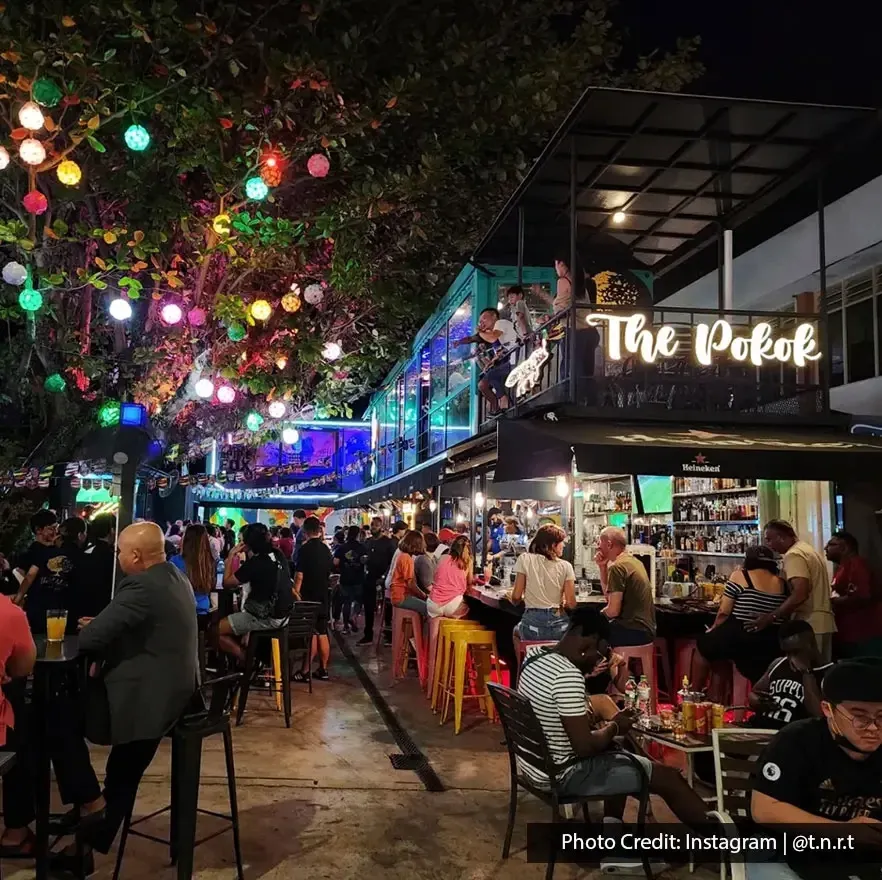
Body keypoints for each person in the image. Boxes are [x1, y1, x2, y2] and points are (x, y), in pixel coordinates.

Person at [36, 522, 199, 870]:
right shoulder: (172, 575)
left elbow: (92, 639)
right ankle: (86, 831)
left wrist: (97, 625)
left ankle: (90, 805)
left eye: (120, 552)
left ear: (136, 556)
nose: (118, 557)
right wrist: (107, 620)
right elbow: (144, 624)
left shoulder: (139, 586)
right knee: (123, 770)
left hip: (149, 697)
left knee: (53, 715)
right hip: (178, 690)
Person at [517, 607, 711, 829]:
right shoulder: (567, 675)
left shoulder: (535, 656)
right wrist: (615, 727)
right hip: (563, 776)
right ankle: (732, 846)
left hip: (536, 767)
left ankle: (615, 828)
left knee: (621, 751)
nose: (596, 663)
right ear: (587, 640)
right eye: (599, 654)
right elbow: (585, 747)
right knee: (670, 780)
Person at [750, 658, 882, 880]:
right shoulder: (796, 740)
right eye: (859, 716)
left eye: (881, 717)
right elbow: (763, 809)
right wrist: (843, 832)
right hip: (785, 850)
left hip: (862, 856)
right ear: (828, 710)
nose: (873, 727)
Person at [691, 545, 788, 689]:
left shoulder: (740, 575)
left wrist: (714, 628)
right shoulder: (782, 583)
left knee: (703, 645)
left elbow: (724, 611)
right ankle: (715, 695)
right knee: (718, 648)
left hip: (742, 636)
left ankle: (695, 693)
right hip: (771, 641)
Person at [763, 520, 836, 662]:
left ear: (781, 537)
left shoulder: (794, 555)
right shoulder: (807, 550)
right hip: (822, 622)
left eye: (769, 540)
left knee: (809, 673)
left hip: (810, 624)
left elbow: (800, 593)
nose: (769, 545)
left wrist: (772, 616)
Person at [218, 523, 292, 662]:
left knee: (216, 630)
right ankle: (251, 658)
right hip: (283, 615)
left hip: (266, 617)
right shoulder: (278, 555)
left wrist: (231, 555)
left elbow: (227, 583)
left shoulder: (256, 562)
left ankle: (247, 660)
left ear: (248, 543)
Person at [748, 620, 833, 729]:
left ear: (811, 645)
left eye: (795, 651)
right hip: (761, 728)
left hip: (793, 736)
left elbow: (819, 716)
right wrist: (760, 702)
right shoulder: (778, 663)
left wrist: (806, 673)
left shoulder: (829, 673)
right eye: (787, 652)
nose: (790, 658)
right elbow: (753, 694)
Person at [13, 509, 80, 634]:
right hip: (38, 613)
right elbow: (27, 576)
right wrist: (18, 600)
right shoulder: (29, 554)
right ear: (38, 530)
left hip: (62, 612)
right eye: (51, 528)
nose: (55, 532)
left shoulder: (62, 550)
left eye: (56, 527)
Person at [511, 524, 576, 647]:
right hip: (559, 624)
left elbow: (516, 596)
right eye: (561, 542)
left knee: (516, 631)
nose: (564, 545)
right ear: (552, 545)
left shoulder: (525, 559)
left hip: (532, 622)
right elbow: (571, 604)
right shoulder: (566, 566)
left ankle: (524, 665)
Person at [595, 527, 656, 647]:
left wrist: (594, 618)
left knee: (588, 634)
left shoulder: (617, 567)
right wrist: (602, 568)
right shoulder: (634, 562)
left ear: (609, 544)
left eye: (599, 542)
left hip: (633, 630)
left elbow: (613, 611)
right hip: (646, 629)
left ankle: (610, 665)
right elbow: (610, 600)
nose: (597, 546)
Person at [825, 531, 882, 658]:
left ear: (844, 547)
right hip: (849, 633)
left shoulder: (857, 565)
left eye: (831, 544)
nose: (825, 548)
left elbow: (861, 596)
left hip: (863, 633)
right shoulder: (842, 568)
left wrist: (832, 602)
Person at [293, 516, 334, 680]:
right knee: (322, 631)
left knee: (310, 633)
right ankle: (323, 669)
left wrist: (295, 593)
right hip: (324, 594)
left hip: (308, 596)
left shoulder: (304, 549)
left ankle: (305, 671)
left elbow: (299, 576)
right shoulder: (326, 549)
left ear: (305, 531)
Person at [461, 307, 517, 415]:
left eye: (484, 319)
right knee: (486, 379)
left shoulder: (500, 323)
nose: (482, 323)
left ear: (494, 316)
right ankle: (499, 404)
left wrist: (480, 331)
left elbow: (492, 338)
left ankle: (503, 401)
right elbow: (503, 348)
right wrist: (492, 361)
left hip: (516, 358)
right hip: (511, 358)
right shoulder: (498, 331)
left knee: (488, 378)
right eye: (480, 321)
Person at [358, 517, 397, 646]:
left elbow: (393, 562)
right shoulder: (367, 542)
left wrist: (385, 577)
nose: (373, 527)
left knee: (387, 608)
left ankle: (389, 634)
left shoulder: (389, 543)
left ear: (381, 527)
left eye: (376, 525)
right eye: (372, 525)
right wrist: (363, 560)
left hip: (383, 578)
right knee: (368, 606)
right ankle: (368, 634)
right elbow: (363, 557)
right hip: (369, 577)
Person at [170, 523, 213, 615]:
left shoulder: (175, 562)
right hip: (204, 611)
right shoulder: (210, 563)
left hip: (181, 612)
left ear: (187, 540)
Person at [427, 535, 472, 619]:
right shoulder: (467, 561)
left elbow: (436, 576)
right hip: (453, 604)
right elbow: (469, 581)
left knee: (435, 619)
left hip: (433, 604)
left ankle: (433, 631)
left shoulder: (442, 557)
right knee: (469, 612)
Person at [82, 513, 116, 617]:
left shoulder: (85, 551)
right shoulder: (113, 557)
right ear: (112, 530)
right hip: (105, 609)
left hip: (84, 607)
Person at [333, 525, 364, 634]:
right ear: (358, 535)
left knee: (346, 602)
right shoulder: (362, 547)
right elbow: (366, 561)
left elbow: (335, 562)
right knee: (359, 601)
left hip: (345, 578)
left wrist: (342, 565)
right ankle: (354, 616)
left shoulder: (342, 548)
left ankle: (346, 626)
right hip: (358, 578)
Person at [390, 530, 428, 615]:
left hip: (398, 595)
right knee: (429, 609)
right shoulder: (406, 558)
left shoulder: (404, 556)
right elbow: (411, 584)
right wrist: (424, 595)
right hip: (401, 597)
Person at [415, 532, 440, 598]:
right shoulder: (423, 559)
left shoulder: (434, 558)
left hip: (431, 593)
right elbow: (428, 586)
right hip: (426, 596)